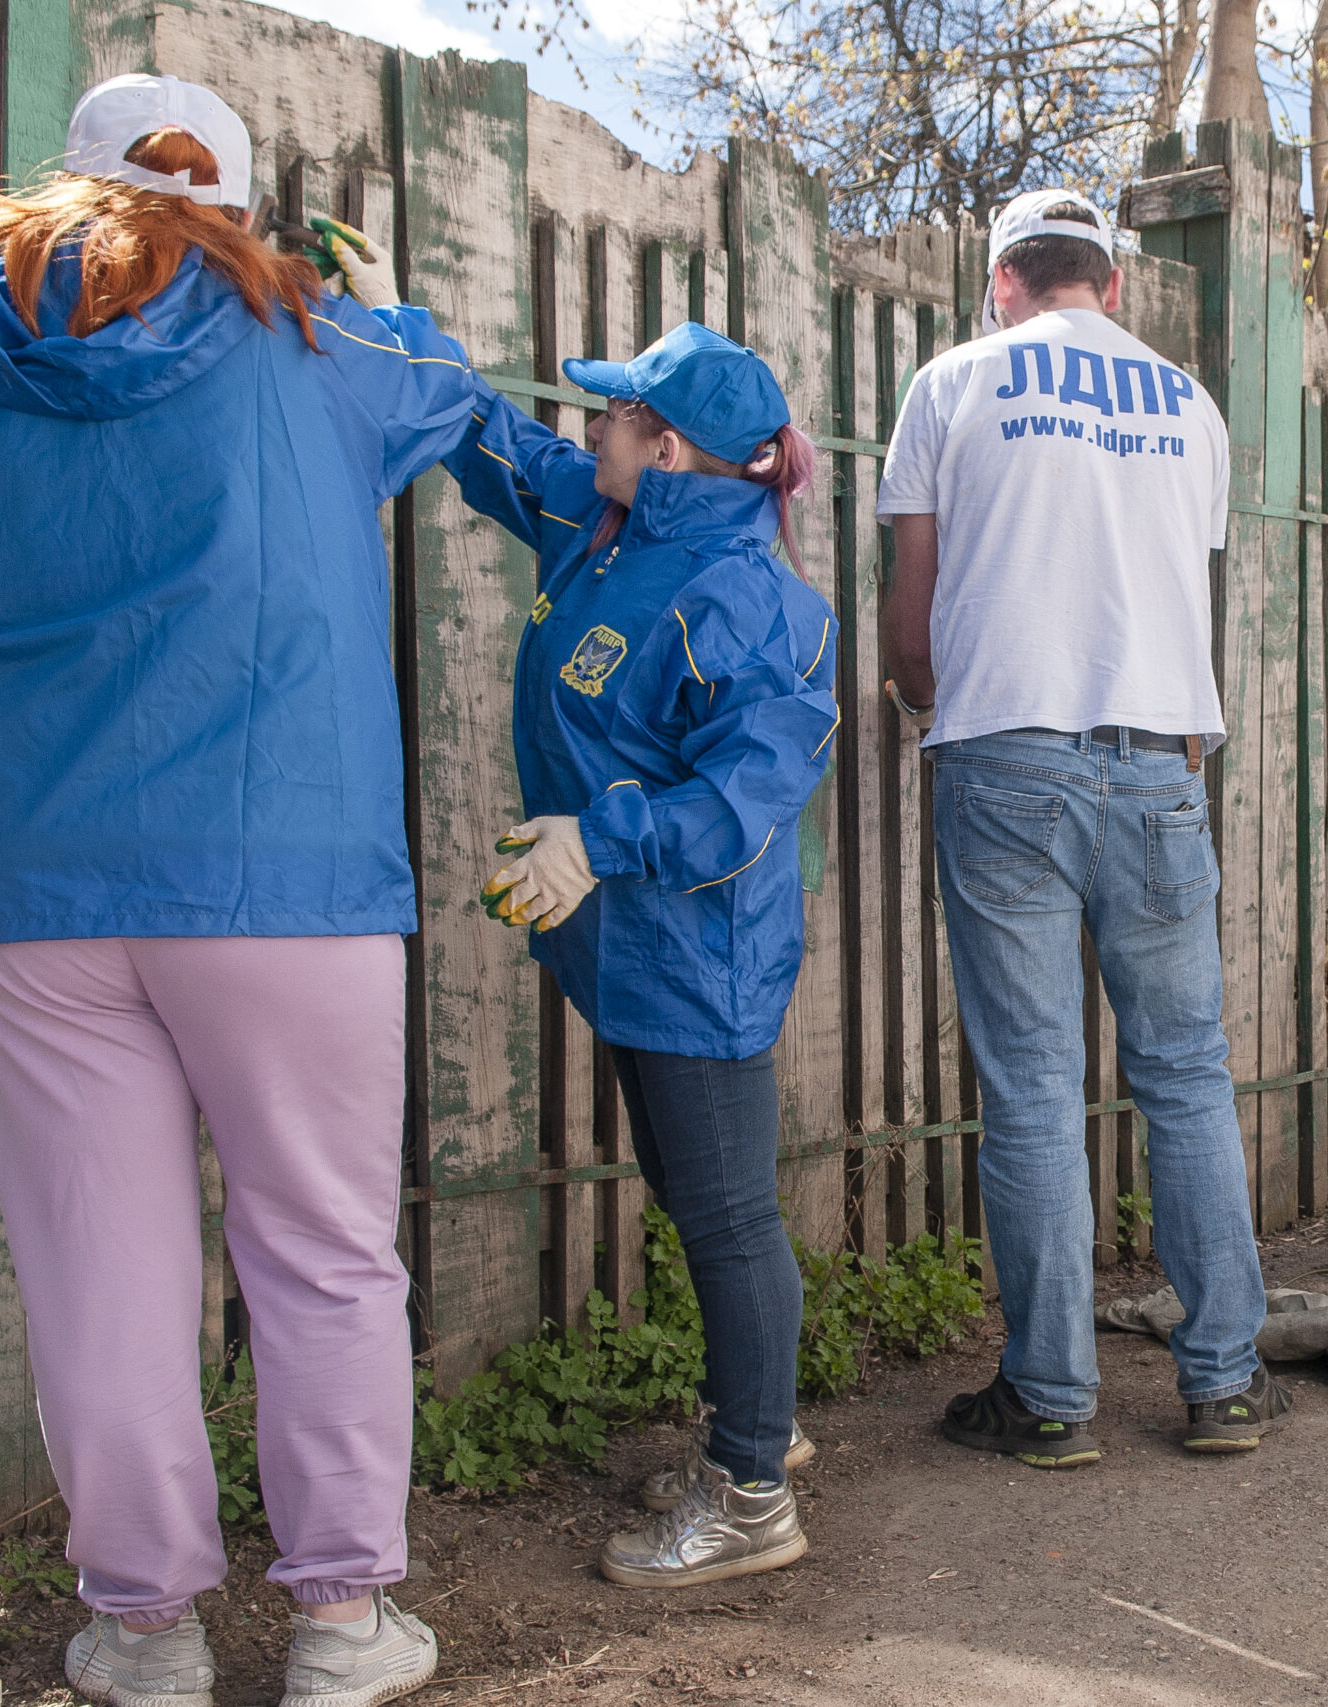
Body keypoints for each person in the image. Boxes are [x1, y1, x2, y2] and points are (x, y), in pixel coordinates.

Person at [0, 74, 465, 1707]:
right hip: (283, 861)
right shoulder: (316, 338)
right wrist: (371, 307)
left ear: (66, 188)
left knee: (99, 1265)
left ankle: (144, 1632)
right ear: (231, 203)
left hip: (39, 871)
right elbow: (442, 389)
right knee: (321, 1250)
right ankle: (342, 1627)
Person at [373, 285, 839, 1580]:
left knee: (730, 1213)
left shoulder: (753, 602)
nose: (589, 428)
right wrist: (395, 325)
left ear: (668, 446)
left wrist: (599, 834)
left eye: (614, 414)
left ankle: (753, 1493)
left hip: (697, 960)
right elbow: (499, 444)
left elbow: (742, 799)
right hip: (624, 950)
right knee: (703, 1201)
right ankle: (755, 1427)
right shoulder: (610, 523)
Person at [875, 190, 1282, 1464]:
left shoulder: (953, 383)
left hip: (1008, 757)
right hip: (1159, 759)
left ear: (1002, 282)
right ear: (1112, 285)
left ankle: (1050, 1399)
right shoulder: (1193, 408)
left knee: (1036, 1091)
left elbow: (913, 597)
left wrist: (933, 700)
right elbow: (1159, 578)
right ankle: (1222, 1384)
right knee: (1186, 1077)